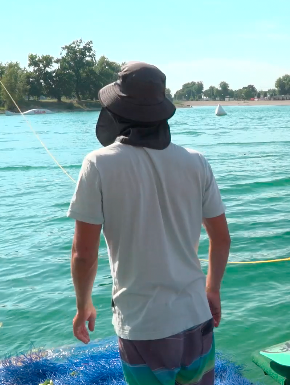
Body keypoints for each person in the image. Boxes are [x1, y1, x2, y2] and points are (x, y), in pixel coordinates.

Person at [67, 61, 231, 385]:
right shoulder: (196, 161)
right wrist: (211, 289)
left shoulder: (97, 164)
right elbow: (221, 238)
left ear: (117, 111)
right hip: (197, 319)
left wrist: (83, 304)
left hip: (144, 328)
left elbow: (83, 255)